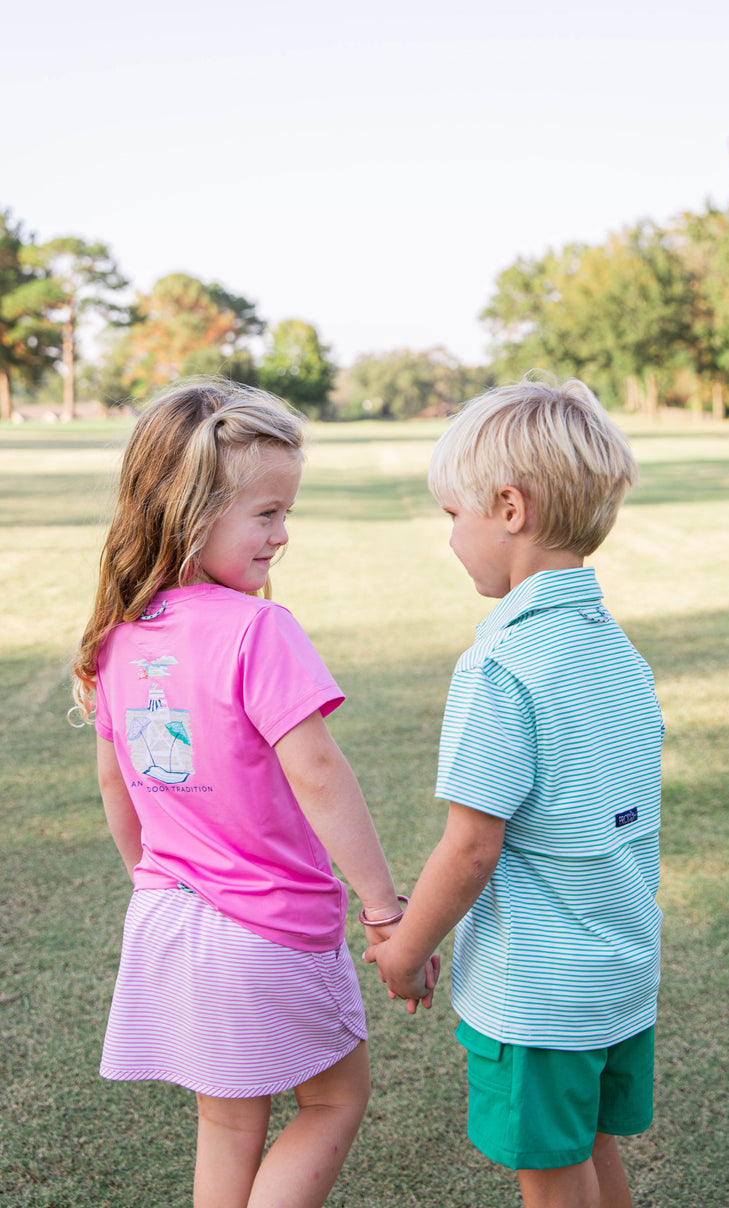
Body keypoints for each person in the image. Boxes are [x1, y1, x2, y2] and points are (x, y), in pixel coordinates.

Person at [71, 377, 435, 1208]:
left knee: (229, 1128)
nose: (283, 536)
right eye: (267, 514)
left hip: (167, 920)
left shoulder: (121, 636)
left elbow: (113, 781)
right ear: (192, 516)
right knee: (334, 1098)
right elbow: (317, 771)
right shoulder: (258, 629)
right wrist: (383, 909)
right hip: (268, 929)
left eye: (287, 512)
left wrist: (151, 876)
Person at [365, 374, 663, 1208]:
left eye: (451, 516)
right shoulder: (617, 652)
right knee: (590, 1146)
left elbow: (470, 845)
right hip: (619, 973)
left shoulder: (500, 667)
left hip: (539, 995)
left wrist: (405, 949)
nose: (449, 537)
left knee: (551, 1170)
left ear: (508, 508)